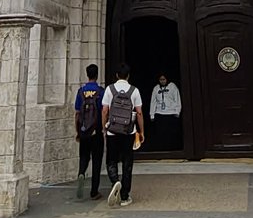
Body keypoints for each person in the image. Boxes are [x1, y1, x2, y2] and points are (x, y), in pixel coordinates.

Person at [102, 62, 144, 207]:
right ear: (128, 76)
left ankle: (115, 181)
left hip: (112, 131)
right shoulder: (134, 91)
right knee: (127, 163)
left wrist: (104, 128)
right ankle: (125, 196)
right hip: (128, 131)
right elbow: (139, 112)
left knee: (111, 160)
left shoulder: (109, 89)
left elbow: (105, 111)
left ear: (116, 75)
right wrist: (141, 130)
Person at [73, 63, 104, 201]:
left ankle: (81, 173)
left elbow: (77, 113)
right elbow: (104, 111)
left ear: (87, 74)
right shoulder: (100, 91)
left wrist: (78, 132)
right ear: (97, 75)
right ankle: (94, 191)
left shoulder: (81, 91)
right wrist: (103, 128)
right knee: (97, 161)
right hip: (96, 130)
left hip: (84, 130)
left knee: (84, 156)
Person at [148, 73, 182, 151]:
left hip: (171, 113)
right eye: (161, 80)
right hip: (160, 113)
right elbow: (153, 102)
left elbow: (177, 99)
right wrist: (152, 114)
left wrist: (177, 111)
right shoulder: (156, 88)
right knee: (161, 133)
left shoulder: (172, 86)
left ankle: (172, 148)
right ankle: (162, 148)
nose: (162, 81)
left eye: (164, 79)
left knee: (171, 133)